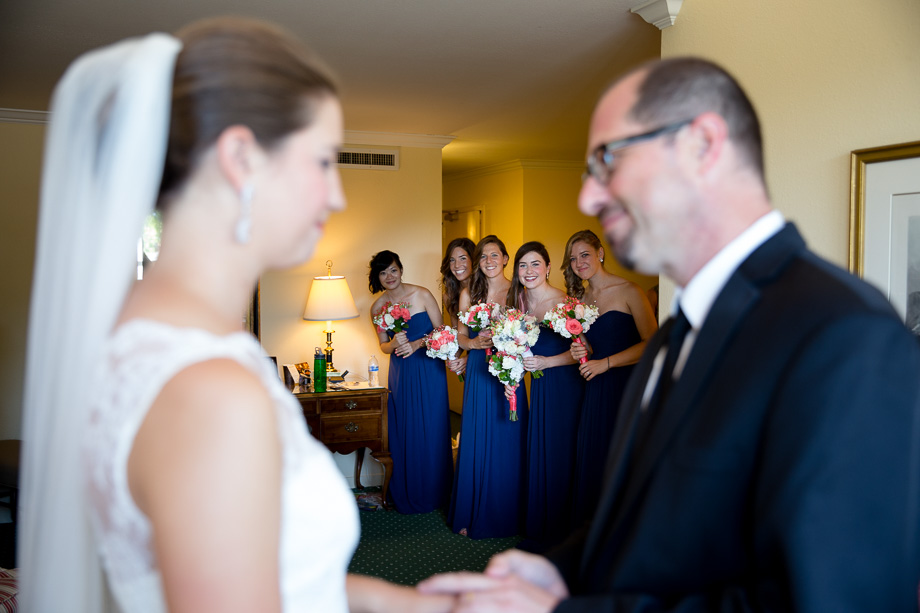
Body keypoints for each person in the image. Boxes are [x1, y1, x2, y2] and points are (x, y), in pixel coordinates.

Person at [419, 57, 920, 611]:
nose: (589, 196)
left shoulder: (845, 336)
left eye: (609, 158)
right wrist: (559, 570)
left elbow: (829, 598)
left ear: (701, 146)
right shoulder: (674, 336)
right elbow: (658, 509)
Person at [20, 18, 452, 612]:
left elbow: (263, 581)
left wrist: (422, 605)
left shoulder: (159, 334)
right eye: (323, 161)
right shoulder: (213, 390)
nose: (337, 196)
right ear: (241, 158)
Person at [562, 229, 657, 524]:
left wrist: (606, 363)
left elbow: (653, 344)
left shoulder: (629, 291)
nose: (579, 263)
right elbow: (589, 342)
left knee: (619, 459)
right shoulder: (580, 298)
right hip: (592, 385)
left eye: (585, 255)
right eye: (573, 258)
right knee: (594, 457)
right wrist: (582, 349)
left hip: (624, 386)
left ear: (600, 253)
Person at [448, 235, 528, 538]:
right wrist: (474, 344)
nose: (489, 262)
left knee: (508, 437)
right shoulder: (470, 292)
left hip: (510, 373)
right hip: (481, 370)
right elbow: (460, 336)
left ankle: (509, 513)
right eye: (483, 257)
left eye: (495, 255)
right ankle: (473, 511)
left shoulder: (518, 291)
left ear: (505, 259)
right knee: (478, 436)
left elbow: (528, 332)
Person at [506, 241, 584, 548]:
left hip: (564, 384)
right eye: (523, 265)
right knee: (541, 448)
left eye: (535, 264)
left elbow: (583, 351)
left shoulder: (564, 302)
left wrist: (547, 362)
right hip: (538, 385)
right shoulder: (520, 303)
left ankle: (562, 530)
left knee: (560, 451)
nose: (529, 271)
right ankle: (541, 524)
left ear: (548, 267)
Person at [369, 250, 453, 514]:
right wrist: (392, 343)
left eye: (393, 269)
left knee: (433, 424)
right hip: (402, 370)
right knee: (407, 426)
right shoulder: (377, 308)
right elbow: (383, 346)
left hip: (429, 367)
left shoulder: (422, 294)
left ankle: (437, 491)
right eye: (383, 273)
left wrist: (417, 343)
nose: (389, 276)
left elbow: (443, 332)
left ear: (401, 269)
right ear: (378, 277)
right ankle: (409, 490)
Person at [440, 237, 477, 376]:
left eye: (462, 258)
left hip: (489, 358)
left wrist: (469, 359)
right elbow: (459, 333)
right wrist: (454, 358)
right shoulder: (449, 295)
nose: (457, 265)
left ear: (473, 260)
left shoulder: (486, 290)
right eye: (452, 260)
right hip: (471, 359)